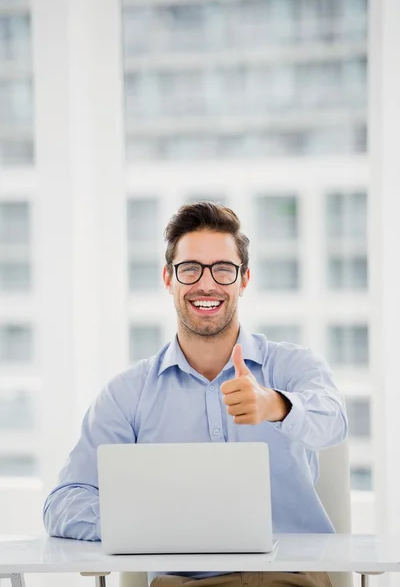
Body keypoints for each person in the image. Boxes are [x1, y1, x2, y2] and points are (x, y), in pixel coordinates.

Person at [44, 202, 347, 587]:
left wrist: (275, 405)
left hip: (290, 580)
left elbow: (334, 422)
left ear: (244, 279)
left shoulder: (294, 366)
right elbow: (63, 502)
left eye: (223, 269)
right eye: (190, 269)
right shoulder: (127, 394)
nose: (207, 284)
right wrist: (146, 523)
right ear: (169, 279)